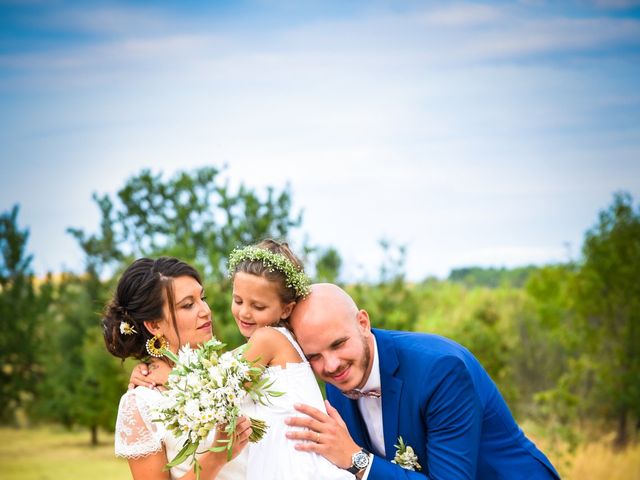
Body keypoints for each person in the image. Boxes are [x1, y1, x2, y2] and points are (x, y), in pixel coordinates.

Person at [284, 283, 561, 480]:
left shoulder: (441, 370)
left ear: (363, 323)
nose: (330, 365)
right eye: (315, 356)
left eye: (339, 344)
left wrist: (357, 460)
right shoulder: (336, 382)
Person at [130, 240, 353, 480]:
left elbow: (220, 392)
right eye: (238, 301)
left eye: (257, 306)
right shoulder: (267, 345)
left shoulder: (267, 339)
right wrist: (158, 366)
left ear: (286, 309)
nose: (245, 313)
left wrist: (172, 377)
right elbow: (221, 368)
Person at [103, 257, 251, 480]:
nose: (205, 310)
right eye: (188, 305)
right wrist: (217, 455)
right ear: (154, 325)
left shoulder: (229, 369)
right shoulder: (142, 403)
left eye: (203, 298)